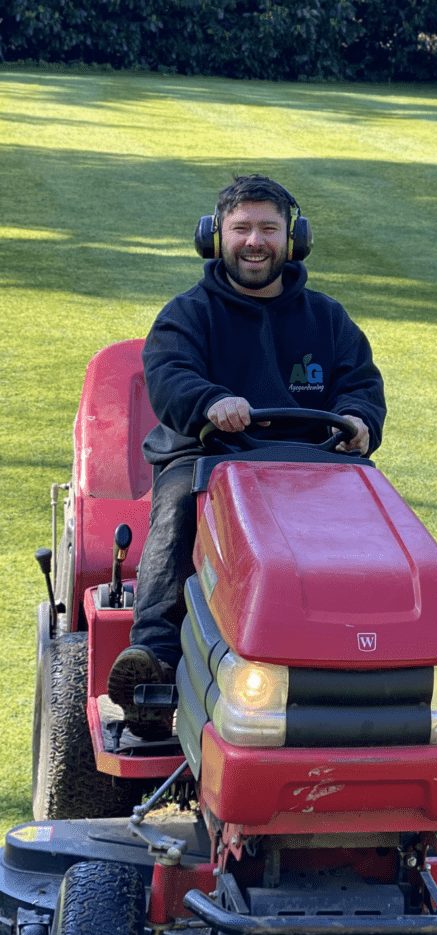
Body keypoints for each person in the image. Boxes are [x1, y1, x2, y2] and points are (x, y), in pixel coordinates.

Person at [107, 174, 386, 738]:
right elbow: (169, 378)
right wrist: (211, 402)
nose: (254, 241)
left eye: (268, 228)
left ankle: (366, 652)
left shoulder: (328, 319)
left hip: (313, 461)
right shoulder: (186, 315)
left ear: (293, 239)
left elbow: (361, 383)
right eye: (241, 229)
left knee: (374, 522)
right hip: (207, 456)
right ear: (215, 238)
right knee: (179, 509)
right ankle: (154, 657)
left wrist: (360, 418)